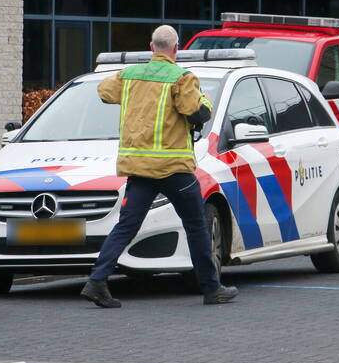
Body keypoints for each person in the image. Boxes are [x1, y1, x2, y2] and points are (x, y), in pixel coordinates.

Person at [80, 25, 239, 308]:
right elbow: (195, 112)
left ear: (151, 47)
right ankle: (212, 289)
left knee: (126, 226)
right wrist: (205, 101)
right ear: (176, 49)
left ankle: (97, 281)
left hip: (138, 168)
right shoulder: (182, 77)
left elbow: (104, 92)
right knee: (196, 226)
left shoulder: (129, 75)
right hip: (174, 168)